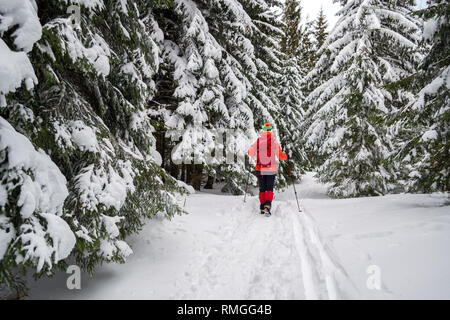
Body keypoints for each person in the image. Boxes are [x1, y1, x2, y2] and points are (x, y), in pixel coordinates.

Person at [247, 122, 288, 215]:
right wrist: (285, 156)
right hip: (271, 169)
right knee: (269, 188)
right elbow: (280, 156)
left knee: (262, 188)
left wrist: (252, 151)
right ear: (270, 131)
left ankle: (262, 206)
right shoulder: (273, 142)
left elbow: (250, 153)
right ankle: (267, 205)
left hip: (260, 169)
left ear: (263, 131)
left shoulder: (258, 141)